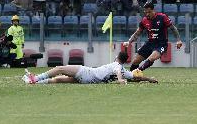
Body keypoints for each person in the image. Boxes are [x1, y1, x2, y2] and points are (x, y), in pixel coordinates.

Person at [22, 51, 158, 84]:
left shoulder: (117, 66)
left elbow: (117, 71)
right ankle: (37, 83)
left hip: (87, 73)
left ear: (117, 58)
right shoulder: (125, 70)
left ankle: (36, 78)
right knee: (59, 80)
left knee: (59, 69)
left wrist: (120, 80)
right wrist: (150, 79)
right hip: (89, 81)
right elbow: (136, 77)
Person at [123, 2, 183, 72]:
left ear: (153, 10)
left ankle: (138, 72)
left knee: (152, 58)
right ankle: (131, 76)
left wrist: (178, 40)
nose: (147, 14)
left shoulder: (162, 17)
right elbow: (138, 32)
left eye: (149, 12)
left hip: (161, 44)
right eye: (146, 12)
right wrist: (129, 41)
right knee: (135, 61)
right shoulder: (144, 20)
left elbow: (173, 28)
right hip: (150, 43)